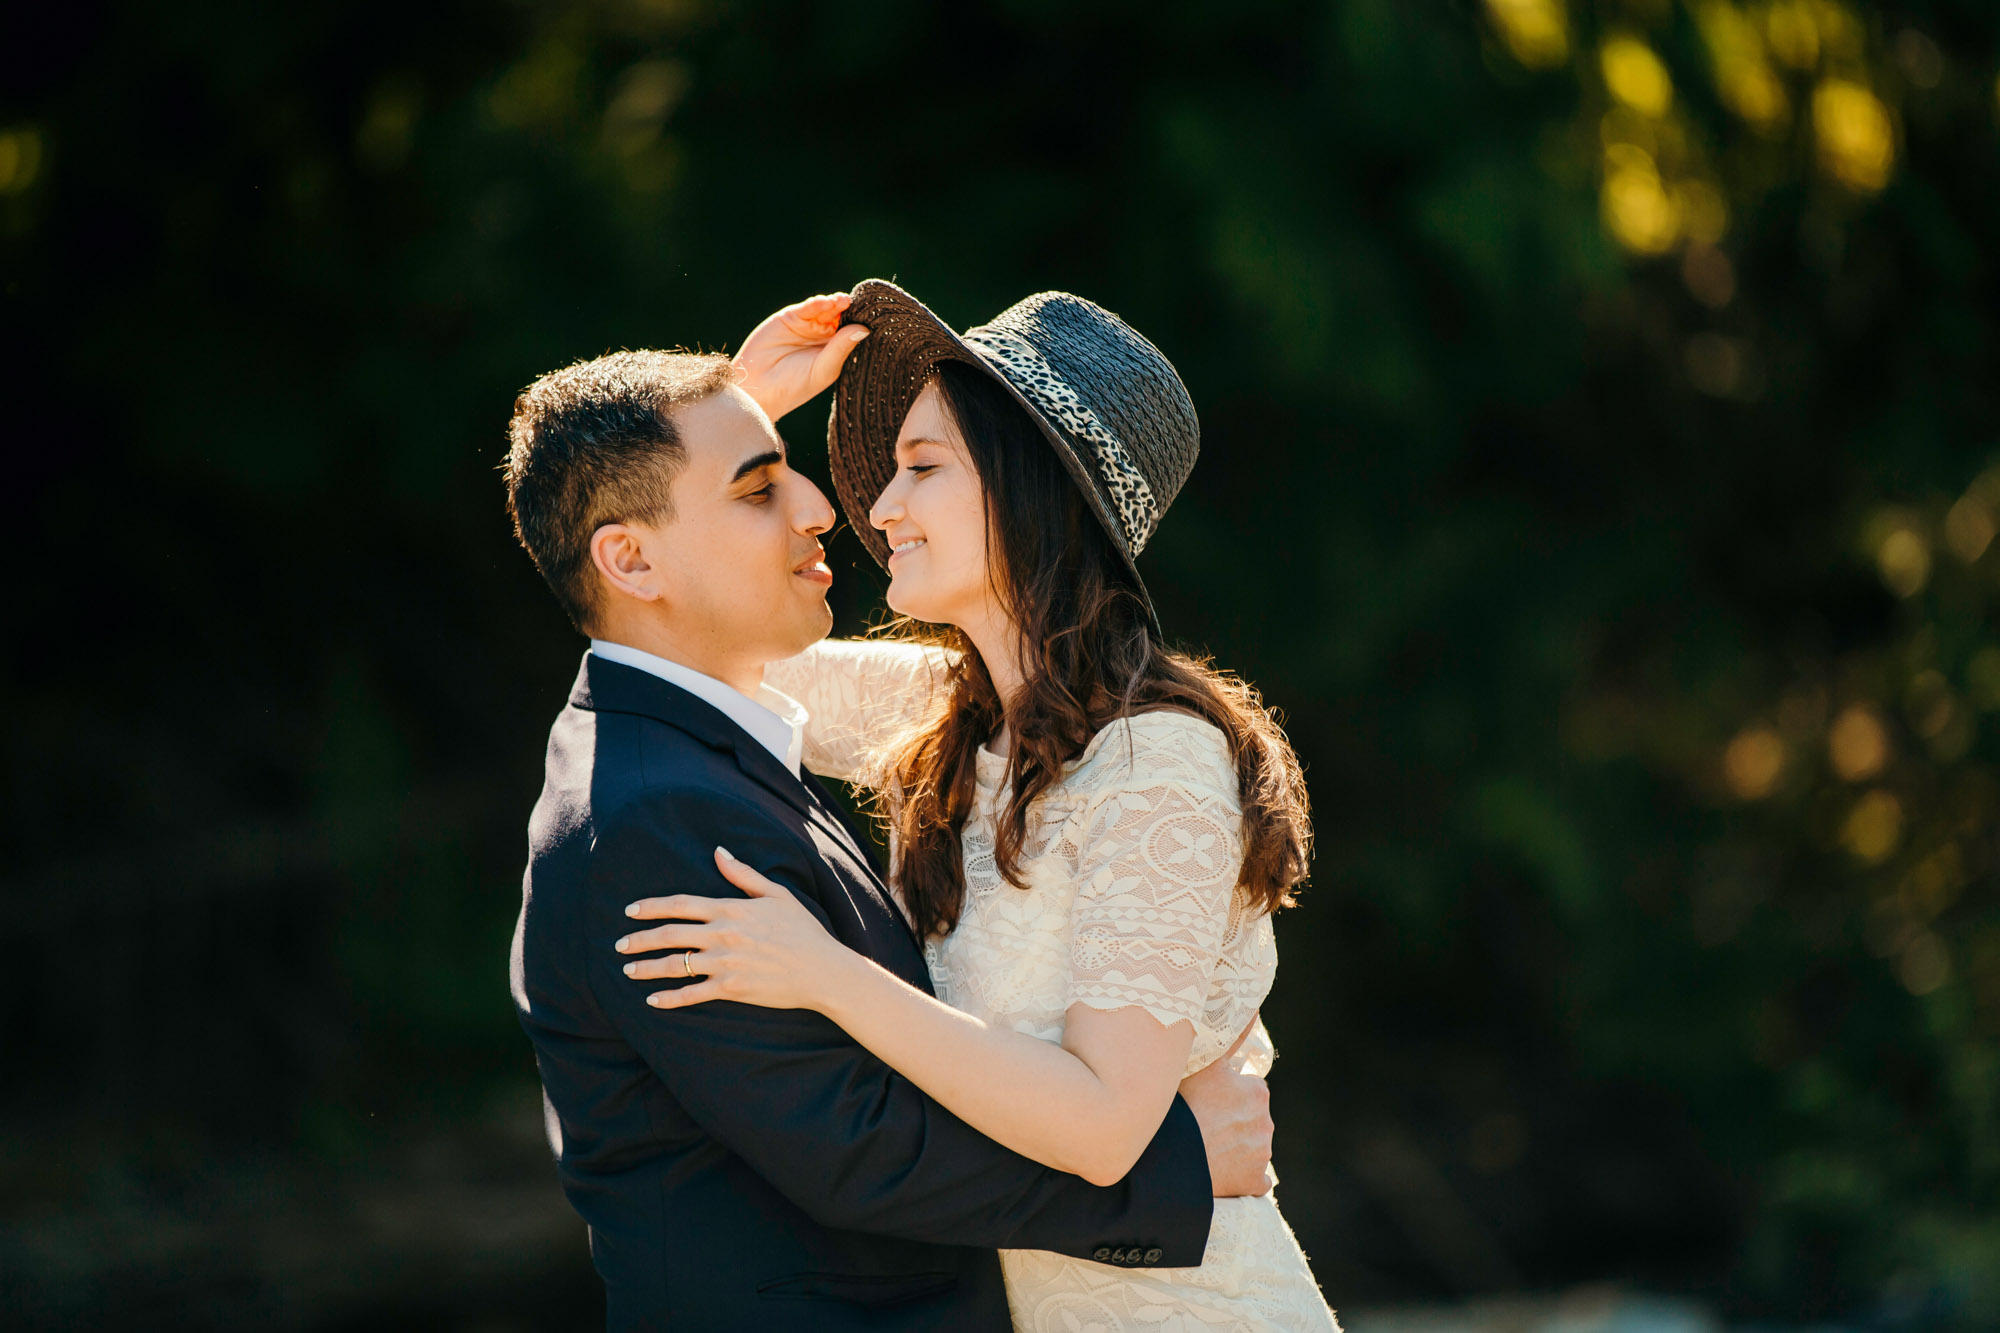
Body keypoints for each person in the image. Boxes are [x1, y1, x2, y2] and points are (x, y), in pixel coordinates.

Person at [502, 302, 1279, 1333]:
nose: (863, 505)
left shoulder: (1155, 760)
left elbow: (673, 632)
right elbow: (664, 637)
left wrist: (719, 468)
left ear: (1022, 489)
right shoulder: (943, 718)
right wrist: (725, 423)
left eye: (920, 467)